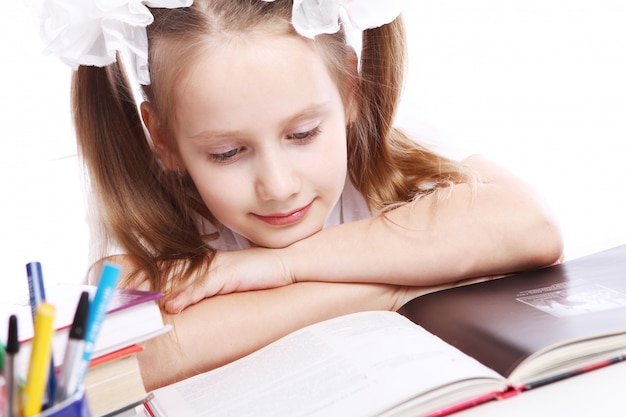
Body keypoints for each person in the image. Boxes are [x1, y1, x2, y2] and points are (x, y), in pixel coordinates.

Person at [34, 0, 562, 389]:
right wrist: (397, 290)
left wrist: (285, 267)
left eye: (303, 135)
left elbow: (531, 227)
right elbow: (144, 355)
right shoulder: (151, 212)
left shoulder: (385, 150)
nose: (279, 185)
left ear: (350, 93)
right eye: (226, 153)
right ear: (164, 141)